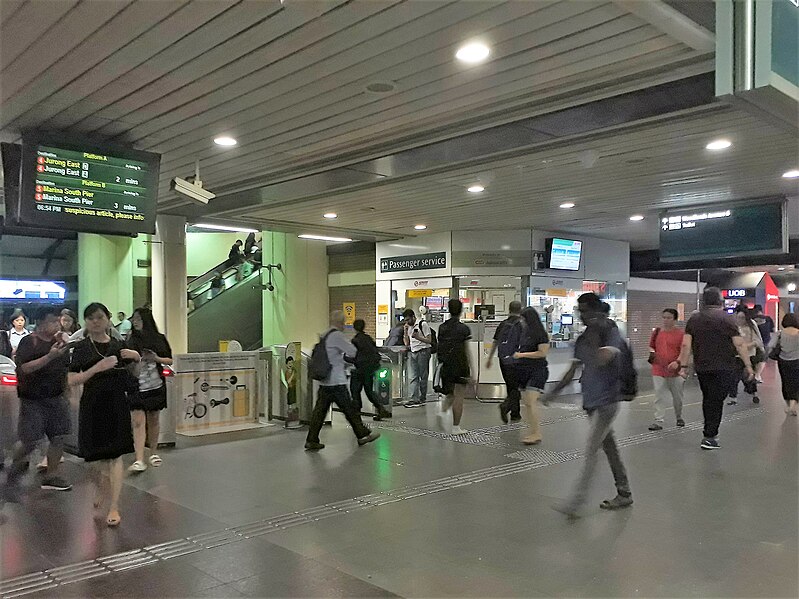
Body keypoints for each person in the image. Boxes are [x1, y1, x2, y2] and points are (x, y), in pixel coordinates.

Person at [546, 292, 632, 517]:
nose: (581, 315)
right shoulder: (584, 338)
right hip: (592, 401)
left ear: (595, 311)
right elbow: (573, 370)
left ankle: (576, 502)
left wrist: (596, 331)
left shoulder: (609, 331)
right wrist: (552, 393)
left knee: (592, 449)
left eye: (584, 311)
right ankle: (624, 492)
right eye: (579, 311)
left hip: (608, 400)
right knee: (609, 446)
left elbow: (607, 357)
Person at [68, 303, 140, 527]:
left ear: (108, 319)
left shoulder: (119, 345)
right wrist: (96, 368)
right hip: (92, 405)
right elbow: (71, 379)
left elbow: (133, 377)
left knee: (115, 457)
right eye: (90, 318)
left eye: (99, 317)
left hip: (117, 404)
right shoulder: (81, 348)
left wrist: (136, 358)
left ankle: (115, 505)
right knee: (92, 461)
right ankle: (101, 490)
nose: (95, 322)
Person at [2, 307, 72, 501]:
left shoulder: (60, 342)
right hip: (33, 399)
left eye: (58, 321)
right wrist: (49, 356)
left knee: (59, 436)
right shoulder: (29, 342)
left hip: (56, 397)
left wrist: (67, 390)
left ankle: (52, 475)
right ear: (40, 322)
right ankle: (12, 476)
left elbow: (65, 368)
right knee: (30, 441)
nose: (56, 324)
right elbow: (24, 368)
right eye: (52, 321)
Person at [675, 288, 754, 450]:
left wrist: (683, 366)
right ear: (719, 301)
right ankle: (710, 436)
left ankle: (709, 433)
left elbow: (685, 344)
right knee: (716, 400)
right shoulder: (727, 319)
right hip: (725, 367)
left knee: (709, 398)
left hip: (702, 367)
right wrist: (748, 366)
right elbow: (739, 344)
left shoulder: (694, 319)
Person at [304, 311, 380, 451]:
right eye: (344, 322)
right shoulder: (337, 336)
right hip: (336, 381)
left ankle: (312, 439)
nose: (345, 325)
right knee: (349, 410)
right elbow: (352, 351)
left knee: (319, 412)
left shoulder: (325, 334)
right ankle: (362, 434)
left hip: (325, 381)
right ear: (340, 322)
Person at [125, 308, 173, 472]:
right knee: (138, 421)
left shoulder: (159, 339)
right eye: (134, 319)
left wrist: (155, 358)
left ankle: (153, 452)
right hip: (136, 385)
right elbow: (124, 361)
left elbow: (169, 360)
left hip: (155, 384)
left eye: (138, 318)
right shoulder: (130, 339)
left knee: (153, 419)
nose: (135, 321)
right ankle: (139, 458)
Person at [511, 306, 550, 445]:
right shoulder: (524, 332)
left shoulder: (540, 334)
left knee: (531, 402)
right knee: (527, 403)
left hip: (537, 371)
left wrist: (522, 355)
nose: (521, 321)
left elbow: (542, 352)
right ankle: (533, 431)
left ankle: (536, 433)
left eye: (523, 318)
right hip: (524, 370)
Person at [436, 299, 472, 435]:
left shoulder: (442, 327)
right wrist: (472, 369)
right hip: (460, 364)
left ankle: (442, 411)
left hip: (446, 364)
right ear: (461, 311)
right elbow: (467, 350)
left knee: (450, 392)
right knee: (459, 396)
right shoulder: (464, 329)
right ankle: (456, 427)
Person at [647, 308, 686, 430]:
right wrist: (653, 354)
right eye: (664, 317)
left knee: (677, 396)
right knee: (659, 394)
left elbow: (684, 351)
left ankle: (678, 416)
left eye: (669, 318)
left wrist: (677, 362)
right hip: (658, 368)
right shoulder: (657, 332)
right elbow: (651, 347)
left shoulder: (681, 334)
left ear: (675, 319)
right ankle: (659, 420)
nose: (666, 320)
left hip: (675, 370)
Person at [486, 301, 523, 424]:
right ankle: (507, 407)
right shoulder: (521, 324)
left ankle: (515, 413)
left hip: (503, 360)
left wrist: (490, 358)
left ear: (509, 309)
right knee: (516, 387)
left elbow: (496, 342)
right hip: (517, 359)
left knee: (511, 386)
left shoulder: (502, 324)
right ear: (520, 309)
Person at [349, 319, 390, 420]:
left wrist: (345, 358)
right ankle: (380, 408)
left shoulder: (355, 340)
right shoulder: (368, 338)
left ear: (354, 328)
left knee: (355, 390)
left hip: (360, 369)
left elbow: (354, 356)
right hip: (370, 368)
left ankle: (357, 410)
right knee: (369, 390)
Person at [727, 306, 763, 405]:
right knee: (734, 377)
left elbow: (757, 340)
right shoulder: (734, 327)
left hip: (749, 355)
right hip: (737, 356)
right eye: (738, 317)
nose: (740, 320)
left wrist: (747, 346)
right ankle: (733, 397)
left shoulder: (751, 327)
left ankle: (754, 393)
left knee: (748, 377)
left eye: (742, 318)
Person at [404, 308, 432, 408]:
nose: (407, 322)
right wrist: (405, 331)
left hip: (423, 352)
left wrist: (418, 337)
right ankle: (413, 398)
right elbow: (407, 343)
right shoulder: (409, 327)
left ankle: (422, 397)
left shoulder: (423, 324)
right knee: (412, 376)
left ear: (413, 317)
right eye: (405, 320)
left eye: (408, 320)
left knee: (423, 376)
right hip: (413, 352)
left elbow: (429, 340)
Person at [772, 313, 799, 416]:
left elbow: (771, 345)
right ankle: (792, 406)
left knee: (786, 382)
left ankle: (789, 405)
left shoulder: (779, 333)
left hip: (783, 361)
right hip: (797, 361)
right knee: (796, 383)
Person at [752, 304, 774, 382]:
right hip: (766, 341)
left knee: (754, 359)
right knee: (763, 359)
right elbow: (772, 330)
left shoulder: (752, 320)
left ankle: (753, 375)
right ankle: (757, 375)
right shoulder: (768, 319)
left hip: (754, 342)